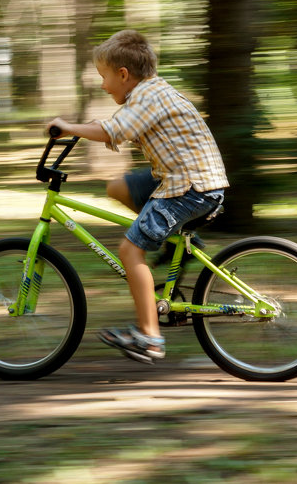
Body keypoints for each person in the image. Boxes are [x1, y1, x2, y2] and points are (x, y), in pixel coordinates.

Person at [48, 29, 228, 364]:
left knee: (130, 249)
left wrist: (70, 127)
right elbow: (117, 126)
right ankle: (180, 242)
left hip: (187, 188)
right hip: (188, 179)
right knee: (118, 188)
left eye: (104, 77)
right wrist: (91, 126)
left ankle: (150, 338)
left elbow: (115, 131)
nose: (102, 85)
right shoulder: (153, 91)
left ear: (123, 74)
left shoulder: (146, 97)